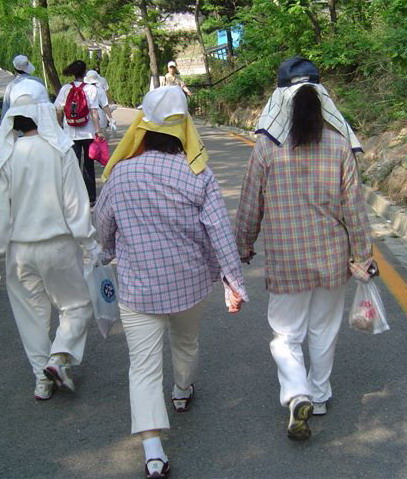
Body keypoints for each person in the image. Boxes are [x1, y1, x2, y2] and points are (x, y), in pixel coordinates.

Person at [95, 85, 247, 478]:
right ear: (184, 128)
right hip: (189, 283)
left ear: (143, 126)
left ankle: (153, 452)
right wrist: (233, 281)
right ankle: (181, 391)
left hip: (138, 287)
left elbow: (103, 226)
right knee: (186, 341)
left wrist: (109, 251)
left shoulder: (121, 173)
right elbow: (219, 232)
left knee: (143, 366)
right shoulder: (198, 174)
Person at [235, 57, 375, 441]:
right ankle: (320, 394)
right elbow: (354, 209)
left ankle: (297, 394)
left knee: (285, 334)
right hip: (332, 258)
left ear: (280, 99)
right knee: (324, 329)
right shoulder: (340, 145)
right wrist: (363, 255)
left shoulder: (266, 147)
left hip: (286, 261)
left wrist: (243, 246)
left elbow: (250, 204)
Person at [0, 79, 100, 401]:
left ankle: (41, 381)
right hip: (59, 246)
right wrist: (89, 243)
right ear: (43, 111)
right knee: (76, 305)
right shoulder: (59, 150)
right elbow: (75, 203)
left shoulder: (6, 155)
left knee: (30, 316)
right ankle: (59, 357)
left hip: (19, 251)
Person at [54, 60, 104, 206]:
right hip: (88, 133)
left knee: (72, 165)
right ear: (85, 72)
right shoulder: (91, 89)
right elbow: (94, 112)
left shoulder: (65, 89)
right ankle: (91, 197)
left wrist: (59, 127)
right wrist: (98, 131)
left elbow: (58, 110)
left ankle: (75, 197)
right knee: (88, 165)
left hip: (70, 133)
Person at [0, 54, 45, 119]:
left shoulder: (11, 86)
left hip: (19, 122)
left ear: (15, 69)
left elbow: (6, 109)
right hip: (38, 119)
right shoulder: (39, 81)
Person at [83, 69, 116, 139]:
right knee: (102, 140)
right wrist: (111, 118)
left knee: (90, 140)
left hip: (87, 118)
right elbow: (105, 106)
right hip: (100, 118)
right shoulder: (100, 91)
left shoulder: (83, 90)